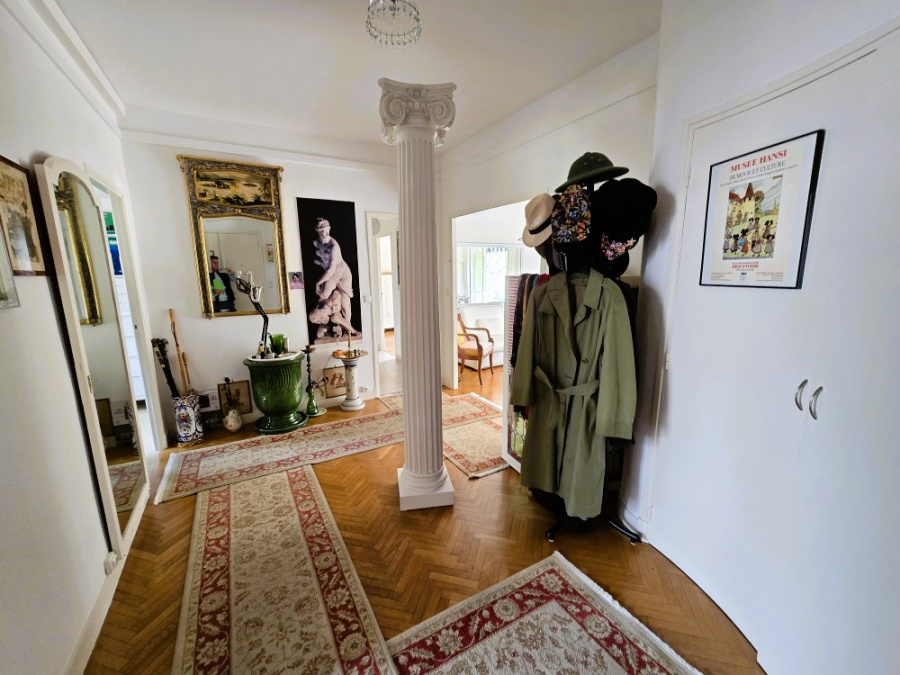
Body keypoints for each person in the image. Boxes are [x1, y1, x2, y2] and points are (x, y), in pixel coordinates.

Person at [309, 218, 354, 339]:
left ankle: (348, 329)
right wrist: (320, 263)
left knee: (345, 304)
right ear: (317, 230)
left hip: (342, 273)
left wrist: (318, 283)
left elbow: (331, 270)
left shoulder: (334, 246)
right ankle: (325, 318)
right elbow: (326, 262)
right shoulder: (317, 243)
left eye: (326, 230)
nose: (325, 233)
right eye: (321, 230)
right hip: (332, 273)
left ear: (329, 229)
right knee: (324, 295)